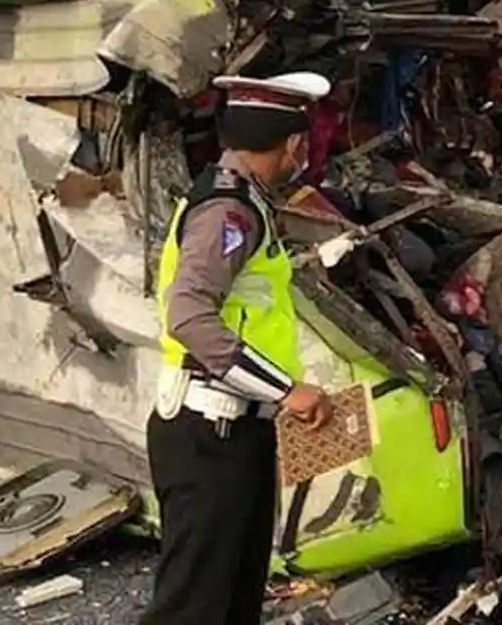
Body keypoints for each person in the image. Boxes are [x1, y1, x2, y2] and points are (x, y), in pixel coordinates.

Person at [142, 71, 336, 625]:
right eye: (304, 143)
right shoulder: (228, 212)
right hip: (209, 435)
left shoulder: (243, 200)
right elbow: (189, 317)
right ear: (292, 143)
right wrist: (286, 389)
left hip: (233, 432)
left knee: (234, 600)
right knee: (192, 609)